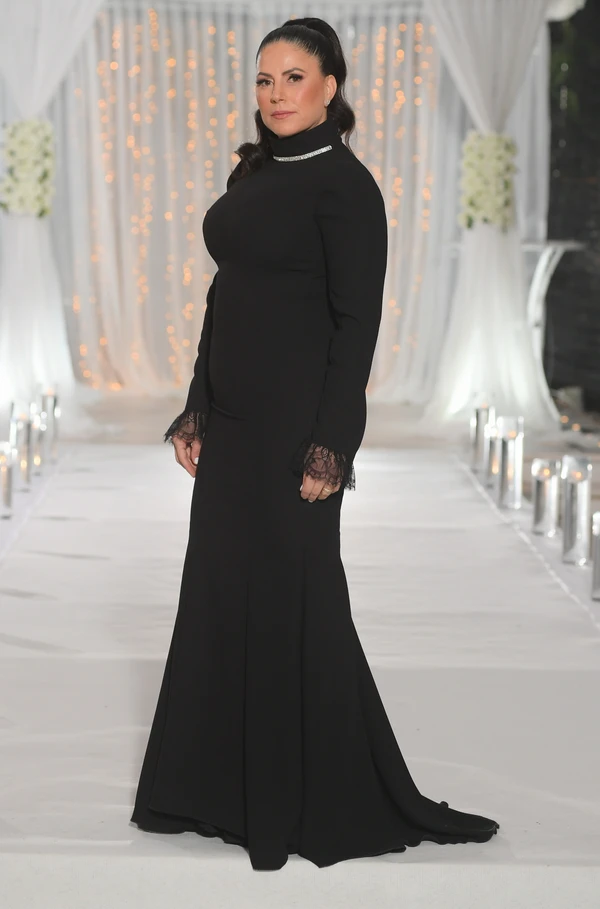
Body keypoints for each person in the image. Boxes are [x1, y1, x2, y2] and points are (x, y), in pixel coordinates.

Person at [130, 16, 499, 871]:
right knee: (219, 593)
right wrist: (197, 404)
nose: (276, 94)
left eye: (293, 78)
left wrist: (332, 445)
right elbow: (225, 296)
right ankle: (209, 790)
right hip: (232, 423)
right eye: (264, 80)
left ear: (331, 86)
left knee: (295, 600)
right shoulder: (254, 171)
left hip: (296, 428)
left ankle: (308, 797)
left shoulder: (347, 187)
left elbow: (355, 325)